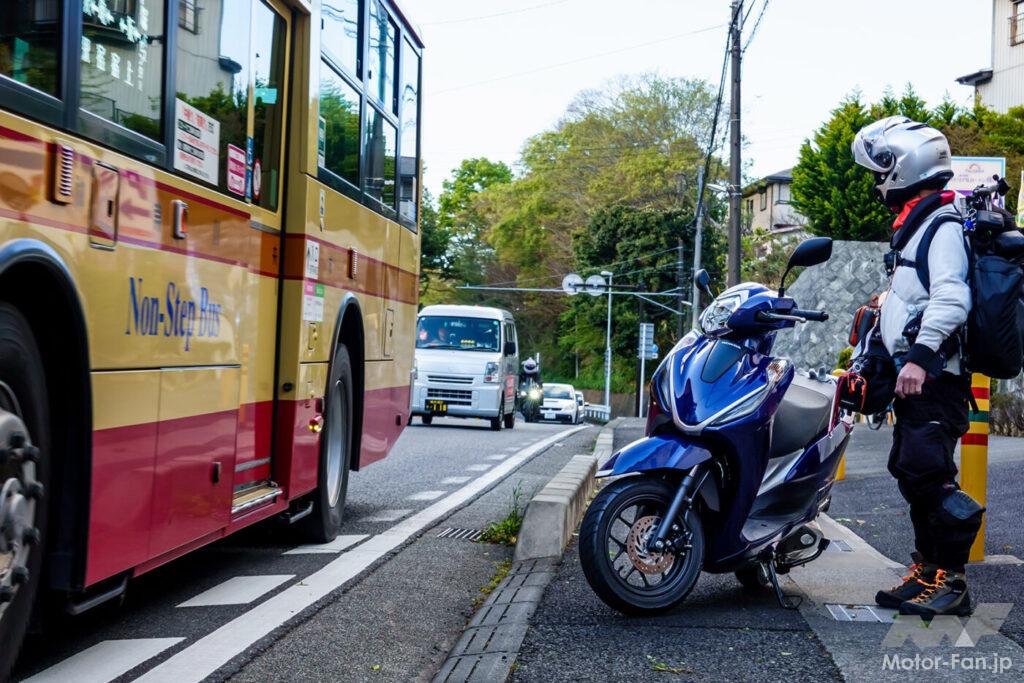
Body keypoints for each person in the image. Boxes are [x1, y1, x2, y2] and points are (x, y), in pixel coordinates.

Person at [852, 116, 984, 617]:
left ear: (902, 170)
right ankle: (927, 571)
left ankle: (952, 583)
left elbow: (952, 299)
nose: (875, 182)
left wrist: (923, 359)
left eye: (878, 171)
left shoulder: (942, 226)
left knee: (931, 475)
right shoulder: (921, 223)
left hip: (934, 380)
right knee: (912, 471)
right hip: (919, 379)